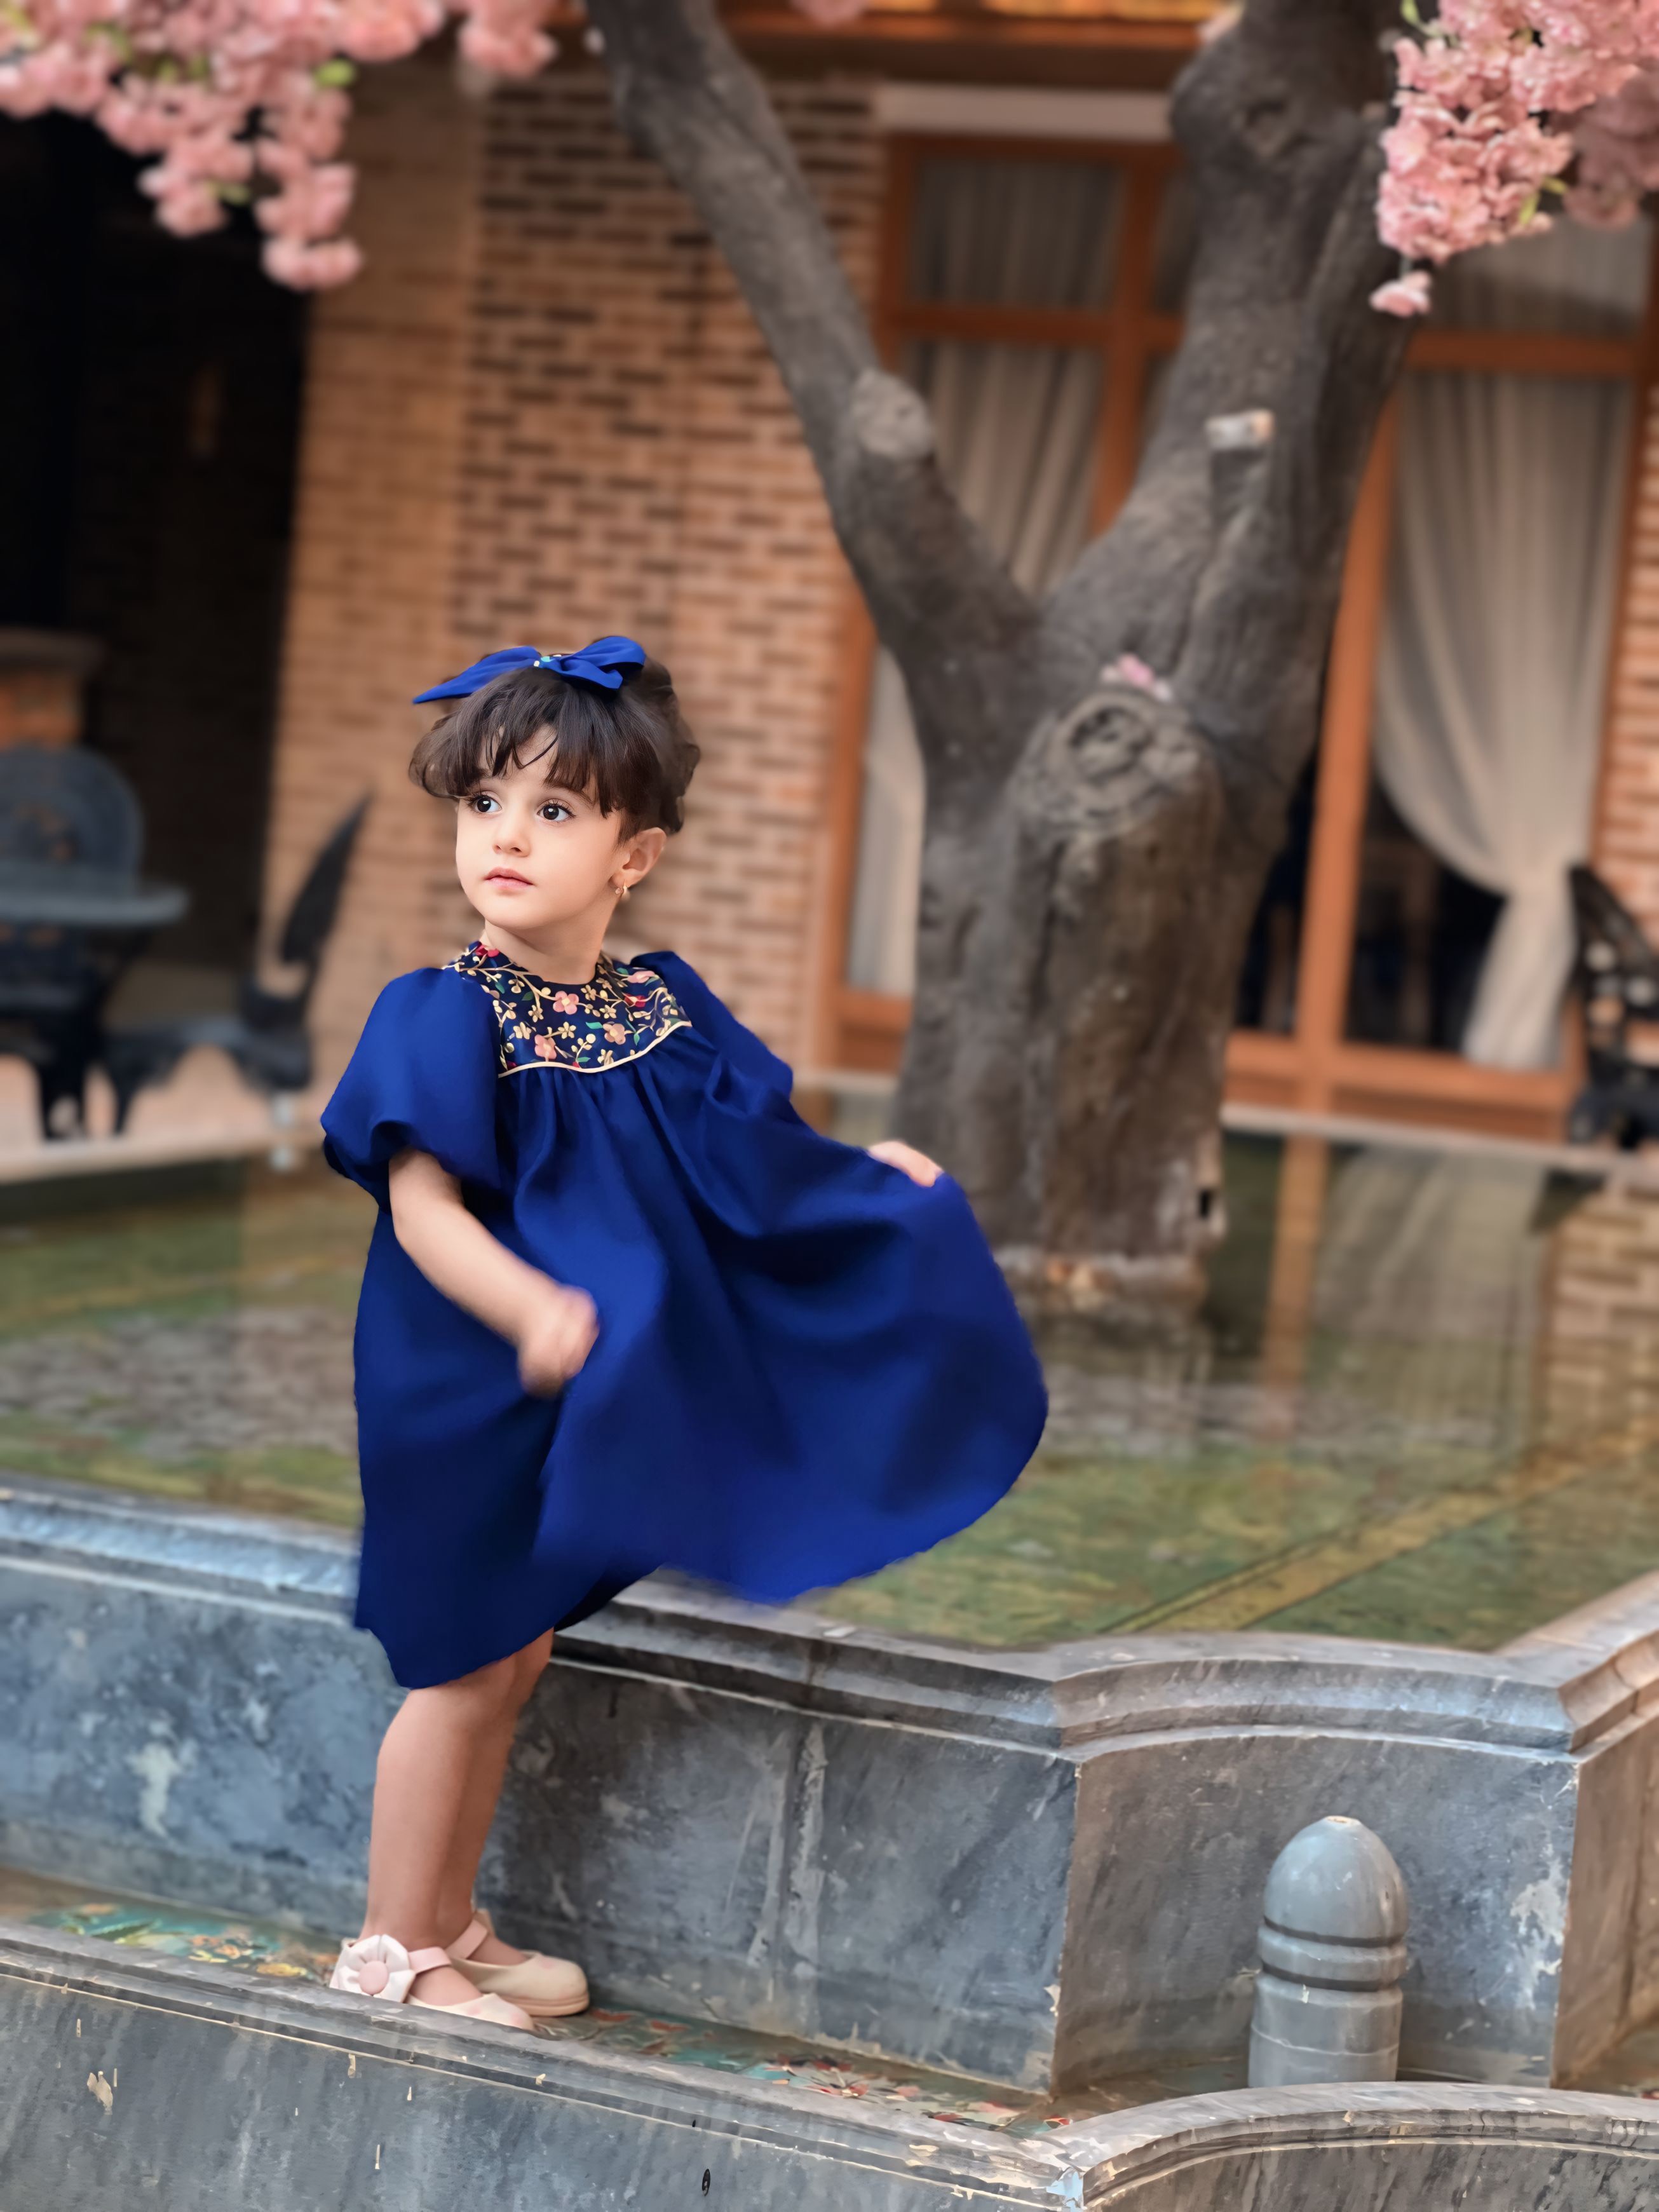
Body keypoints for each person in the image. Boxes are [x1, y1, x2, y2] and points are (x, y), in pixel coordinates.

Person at [320, 636, 1047, 2032]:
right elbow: (424, 1213)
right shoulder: (443, 1011)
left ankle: (452, 1920)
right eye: (484, 803)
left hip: (576, 1383)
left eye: (553, 810)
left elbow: (751, 1163)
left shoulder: (657, 1009)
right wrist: (529, 1306)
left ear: (633, 856)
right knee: (459, 1660)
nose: (506, 837)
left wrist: (867, 1179)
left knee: (517, 1649)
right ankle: (391, 1948)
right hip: (469, 1375)